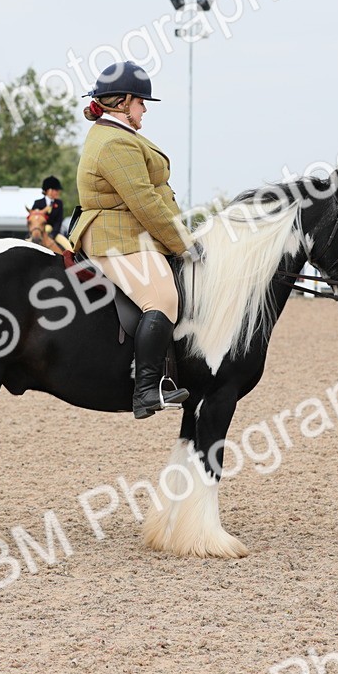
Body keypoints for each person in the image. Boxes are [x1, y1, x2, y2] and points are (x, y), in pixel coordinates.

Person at [68, 60, 201, 419]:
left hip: (130, 235)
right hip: (116, 238)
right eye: (142, 103)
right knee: (161, 297)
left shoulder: (118, 136)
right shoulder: (114, 143)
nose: (144, 110)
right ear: (125, 101)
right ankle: (146, 390)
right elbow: (144, 202)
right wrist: (183, 244)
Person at [31, 176, 66, 242]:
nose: (58, 192)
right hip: (38, 233)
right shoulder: (37, 203)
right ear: (49, 190)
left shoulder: (59, 203)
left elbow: (59, 221)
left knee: (67, 245)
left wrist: (52, 235)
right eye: (56, 190)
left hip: (54, 234)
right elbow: (33, 219)